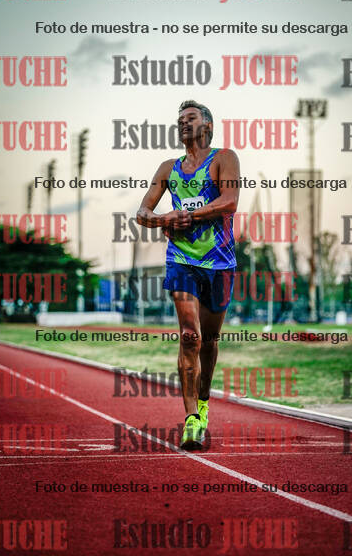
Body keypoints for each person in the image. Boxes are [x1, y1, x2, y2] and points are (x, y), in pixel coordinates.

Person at [136, 99, 239, 449]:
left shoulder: (224, 158)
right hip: (181, 260)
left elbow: (229, 201)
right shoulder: (169, 168)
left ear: (207, 126)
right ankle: (192, 418)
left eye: (190, 117)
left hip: (220, 262)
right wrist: (163, 219)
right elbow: (142, 213)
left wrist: (188, 216)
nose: (182, 122)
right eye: (179, 119)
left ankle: (204, 401)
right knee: (189, 336)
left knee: (209, 341)